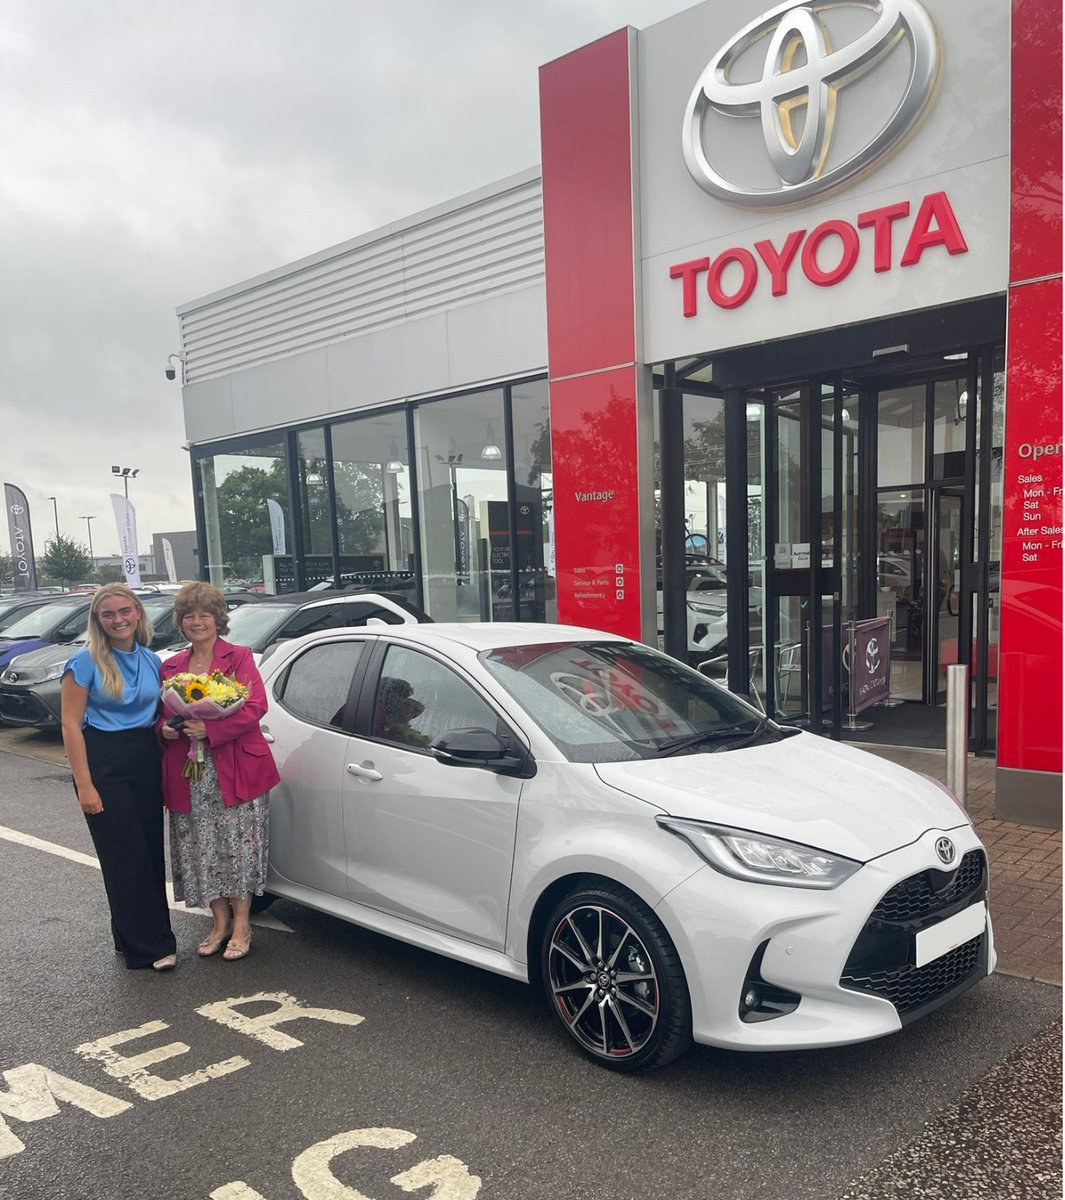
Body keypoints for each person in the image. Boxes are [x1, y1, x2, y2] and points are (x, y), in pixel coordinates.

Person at [159, 581, 279, 961]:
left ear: (218, 619)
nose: (197, 622)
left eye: (205, 615)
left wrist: (210, 730)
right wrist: (164, 729)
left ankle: (242, 925)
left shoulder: (239, 657)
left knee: (237, 848)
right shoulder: (170, 666)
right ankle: (219, 922)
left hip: (235, 768)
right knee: (202, 847)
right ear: (181, 621)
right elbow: (160, 714)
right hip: (189, 774)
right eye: (189, 616)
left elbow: (255, 707)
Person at [61, 584, 177, 971]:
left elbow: (159, 714)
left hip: (145, 758)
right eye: (108, 614)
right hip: (103, 762)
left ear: (138, 613)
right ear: (98, 620)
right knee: (124, 856)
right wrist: (85, 784)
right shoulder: (84, 662)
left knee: (148, 851)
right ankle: (151, 948)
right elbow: (70, 725)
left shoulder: (152, 660)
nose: (118, 620)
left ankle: (127, 935)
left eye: (124, 611)